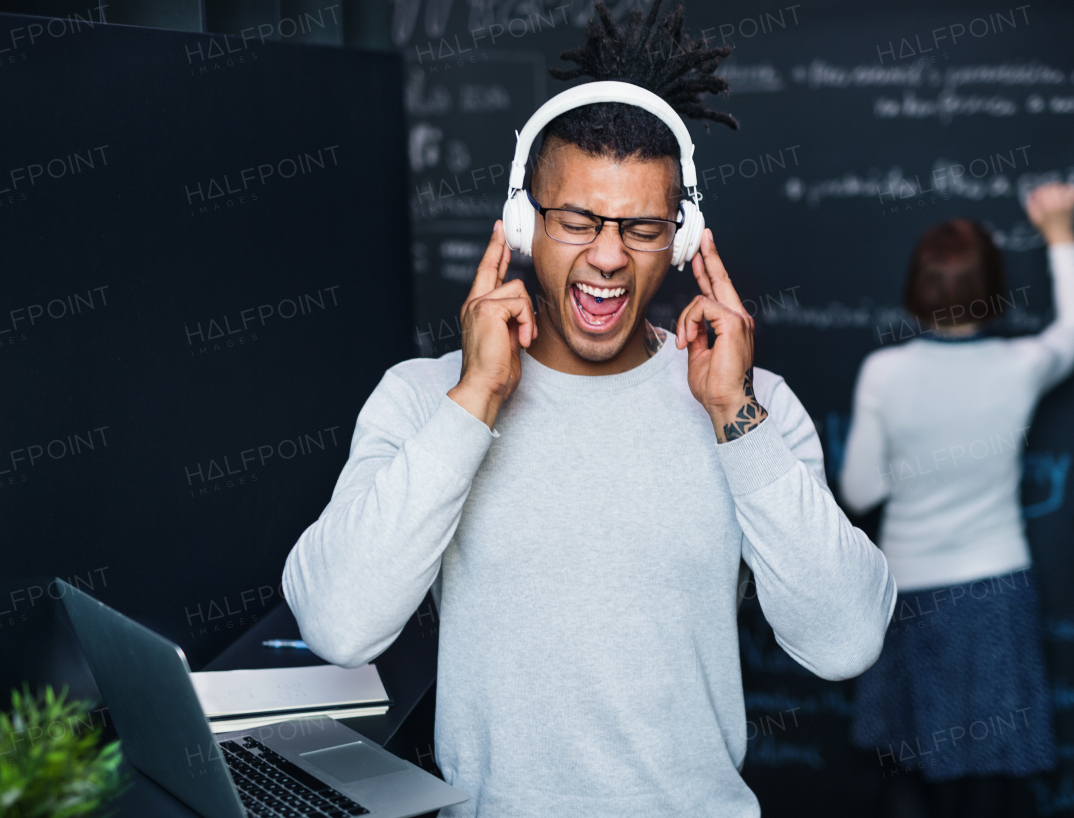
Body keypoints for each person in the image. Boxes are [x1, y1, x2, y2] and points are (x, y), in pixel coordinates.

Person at [281, 3, 896, 816]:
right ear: (521, 222)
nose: (608, 256)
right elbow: (338, 625)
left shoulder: (753, 410)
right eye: (576, 220)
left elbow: (846, 641)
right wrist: (474, 401)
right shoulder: (424, 397)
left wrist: (736, 418)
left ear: (682, 239)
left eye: (642, 228)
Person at [839, 183, 1074, 816]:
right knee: (992, 780)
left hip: (907, 596)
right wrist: (1059, 232)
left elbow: (858, 492)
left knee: (908, 769)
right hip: (996, 594)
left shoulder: (885, 374)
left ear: (916, 287)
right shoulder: (1020, 365)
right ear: (996, 288)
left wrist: (915, 455)